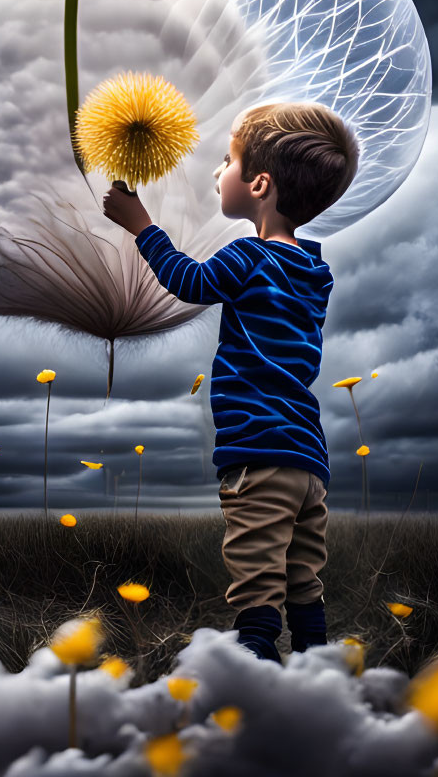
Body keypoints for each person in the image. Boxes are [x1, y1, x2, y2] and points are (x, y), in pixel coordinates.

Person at [102, 101, 359, 665]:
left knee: (257, 586)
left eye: (227, 160)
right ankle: (319, 677)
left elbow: (188, 281)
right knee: (303, 581)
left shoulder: (250, 257)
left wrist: (139, 222)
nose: (218, 171)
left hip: (259, 454)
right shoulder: (316, 272)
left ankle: (253, 683)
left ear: (259, 184)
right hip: (307, 461)